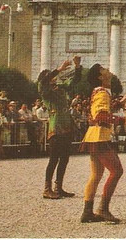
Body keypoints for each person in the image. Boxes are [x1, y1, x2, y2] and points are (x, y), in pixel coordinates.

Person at [80, 63, 126, 224]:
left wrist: (121, 101)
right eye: (103, 69)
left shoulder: (100, 92)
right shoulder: (102, 93)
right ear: (99, 76)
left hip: (94, 136)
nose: (107, 70)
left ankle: (87, 212)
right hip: (100, 137)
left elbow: (104, 110)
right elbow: (101, 116)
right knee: (116, 171)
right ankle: (103, 209)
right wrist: (124, 120)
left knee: (96, 174)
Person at [38, 55, 82, 199]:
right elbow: (43, 82)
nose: (53, 78)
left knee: (64, 158)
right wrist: (59, 69)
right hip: (56, 127)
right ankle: (47, 188)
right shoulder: (46, 92)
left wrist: (77, 67)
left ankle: (58, 187)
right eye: (50, 76)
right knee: (53, 159)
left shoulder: (60, 88)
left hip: (66, 126)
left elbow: (73, 82)